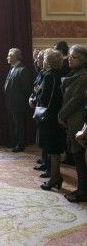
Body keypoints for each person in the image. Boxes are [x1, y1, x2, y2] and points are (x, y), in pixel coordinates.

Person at [58, 45, 87, 203]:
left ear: (82, 60)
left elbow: (75, 101)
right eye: (69, 56)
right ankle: (82, 188)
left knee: (79, 158)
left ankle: (83, 191)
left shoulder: (83, 77)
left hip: (79, 120)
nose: (69, 58)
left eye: (74, 57)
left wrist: (61, 114)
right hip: (73, 119)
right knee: (77, 158)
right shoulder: (75, 74)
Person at [37, 49, 66, 191]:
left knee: (53, 148)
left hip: (50, 117)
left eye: (44, 59)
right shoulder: (61, 74)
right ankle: (55, 176)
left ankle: (55, 178)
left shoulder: (48, 76)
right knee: (55, 148)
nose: (42, 60)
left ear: (48, 61)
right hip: (57, 115)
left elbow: (45, 98)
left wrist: (36, 97)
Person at [4, 48, 32, 152]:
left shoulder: (23, 70)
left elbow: (26, 90)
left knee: (19, 125)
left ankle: (20, 145)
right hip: (11, 103)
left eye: (9, 55)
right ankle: (15, 142)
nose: (7, 57)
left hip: (18, 104)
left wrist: (21, 103)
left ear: (16, 57)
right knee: (14, 125)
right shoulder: (12, 68)